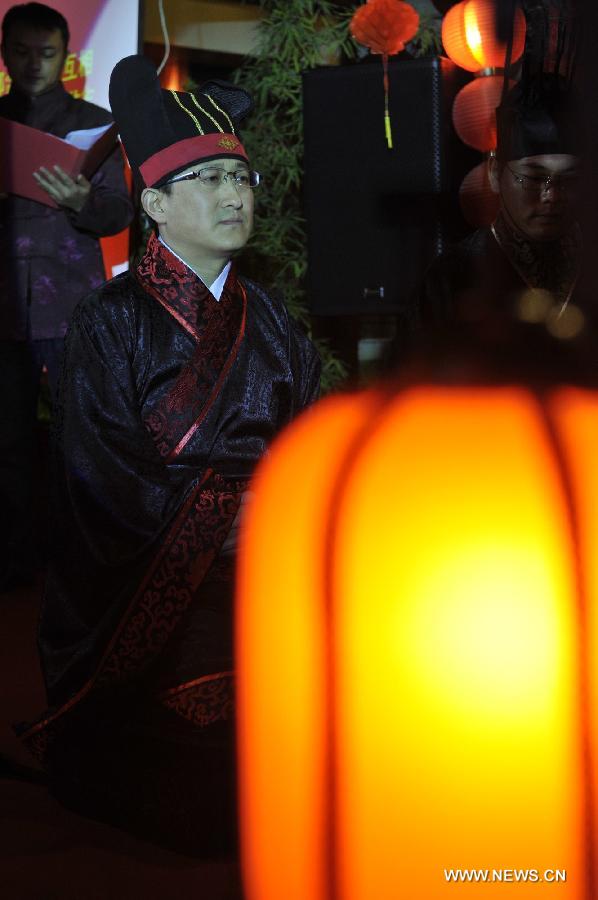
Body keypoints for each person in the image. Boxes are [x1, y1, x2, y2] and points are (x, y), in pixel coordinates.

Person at [18, 54, 321, 856]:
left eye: (241, 177)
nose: (234, 195)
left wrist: (290, 511)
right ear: (153, 202)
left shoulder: (276, 319)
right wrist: (224, 521)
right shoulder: (107, 322)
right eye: (210, 180)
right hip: (153, 578)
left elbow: (312, 443)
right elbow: (96, 480)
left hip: (271, 563)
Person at [0, 2, 134, 592]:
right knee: (5, 444)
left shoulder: (93, 123)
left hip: (71, 300)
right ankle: (14, 563)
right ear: (4, 53)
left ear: (66, 56)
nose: (34, 64)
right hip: (2, 305)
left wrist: (81, 199)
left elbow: (118, 213)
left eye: (46, 53)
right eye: (22, 52)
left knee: (81, 435)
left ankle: (84, 562)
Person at [418, 73, 583, 341]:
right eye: (533, 177)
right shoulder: (451, 277)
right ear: (495, 173)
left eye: (570, 177)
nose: (551, 194)